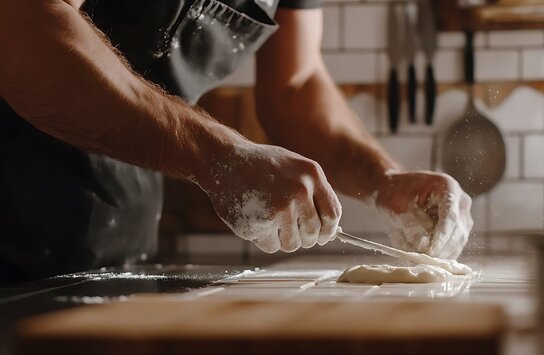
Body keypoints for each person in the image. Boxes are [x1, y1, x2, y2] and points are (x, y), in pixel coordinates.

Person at [0, 0, 473, 285]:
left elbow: (297, 85)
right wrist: (218, 156)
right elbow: (24, 33)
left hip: (116, 234)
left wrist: (383, 178)